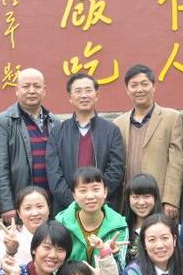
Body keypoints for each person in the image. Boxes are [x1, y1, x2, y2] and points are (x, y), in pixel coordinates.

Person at [46, 72, 125, 213]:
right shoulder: (57, 132)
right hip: (67, 210)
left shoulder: (111, 130)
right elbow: (54, 173)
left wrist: (96, 198)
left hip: (104, 208)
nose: (84, 95)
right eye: (78, 91)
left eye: (88, 90)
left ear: (97, 95)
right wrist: (74, 202)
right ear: (70, 98)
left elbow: (116, 169)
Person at [0, 68, 58, 225]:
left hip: (50, 203)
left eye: (37, 86)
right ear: (17, 90)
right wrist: (6, 205)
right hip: (20, 204)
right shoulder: (4, 121)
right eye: (26, 86)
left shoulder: (53, 121)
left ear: (44, 90)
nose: (31, 91)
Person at [113, 65, 183, 219]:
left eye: (144, 84)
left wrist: (170, 200)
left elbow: (176, 162)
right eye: (134, 85)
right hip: (129, 201)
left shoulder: (171, 118)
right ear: (127, 90)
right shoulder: (119, 123)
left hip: (158, 199)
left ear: (154, 87)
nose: (139, 89)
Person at [0, 185, 50, 275]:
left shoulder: (55, 236)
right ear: (19, 213)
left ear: (48, 208)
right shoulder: (5, 235)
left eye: (40, 206)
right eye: (28, 208)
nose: (35, 213)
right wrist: (10, 252)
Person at [54, 167, 128, 266]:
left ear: (105, 192)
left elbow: (120, 269)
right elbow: (56, 266)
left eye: (96, 189)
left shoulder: (119, 226)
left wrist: (108, 253)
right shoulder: (61, 224)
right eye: (83, 191)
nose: (90, 196)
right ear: (74, 195)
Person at [122, 173, 161, 266]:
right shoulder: (121, 227)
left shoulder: (166, 227)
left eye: (147, 196)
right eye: (135, 197)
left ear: (155, 198)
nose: (141, 202)